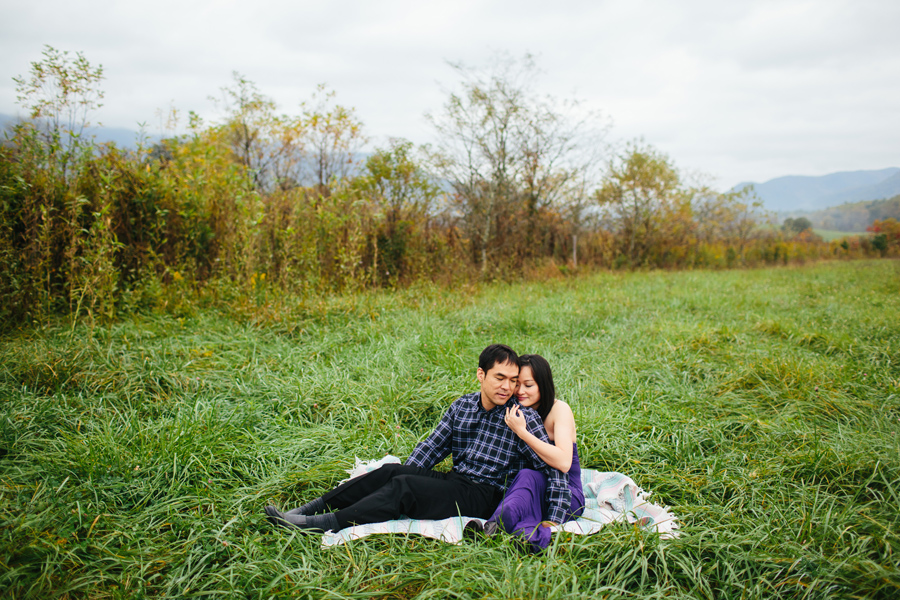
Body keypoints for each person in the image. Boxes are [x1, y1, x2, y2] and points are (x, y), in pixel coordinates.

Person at [264, 344, 570, 533]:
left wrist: (554, 519)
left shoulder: (522, 418)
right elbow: (432, 446)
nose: (507, 387)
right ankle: (307, 510)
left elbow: (551, 470)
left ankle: (320, 525)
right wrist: (405, 475)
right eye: (499, 378)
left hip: (484, 494)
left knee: (405, 486)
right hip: (456, 480)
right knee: (390, 473)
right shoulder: (462, 405)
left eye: (513, 380)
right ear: (481, 375)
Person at [472, 354, 584, 552]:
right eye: (517, 384)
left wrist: (522, 432)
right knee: (524, 480)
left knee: (527, 477)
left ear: (543, 385)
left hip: (565, 492)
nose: (520, 391)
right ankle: (518, 536)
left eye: (529, 385)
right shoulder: (513, 409)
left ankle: (494, 528)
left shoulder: (559, 410)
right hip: (531, 484)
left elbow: (564, 462)